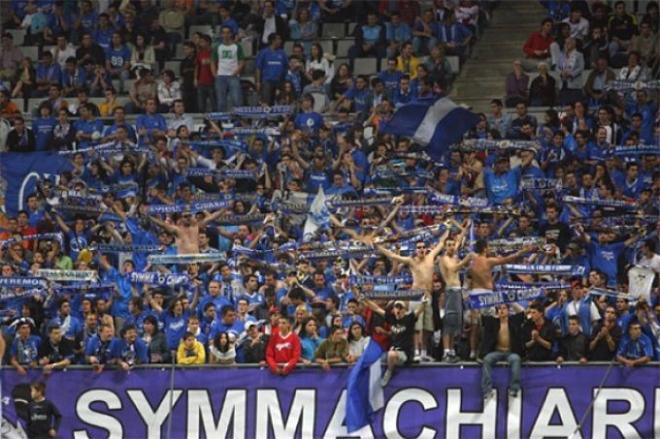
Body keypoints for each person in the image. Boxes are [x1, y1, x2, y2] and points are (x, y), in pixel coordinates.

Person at [359, 294, 429, 386]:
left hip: (405, 353)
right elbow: (376, 308)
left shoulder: (409, 319)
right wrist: (366, 300)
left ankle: (389, 372)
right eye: (396, 307)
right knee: (373, 357)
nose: (398, 310)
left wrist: (423, 303)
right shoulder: (391, 318)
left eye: (400, 308)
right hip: (392, 350)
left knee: (391, 355)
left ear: (405, 310)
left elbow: (419, 311)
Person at [438, 221, 471, 362]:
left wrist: (464, 226)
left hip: (457, 291)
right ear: (445, 247)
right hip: (451, 291)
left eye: (453, 245)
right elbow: (453, 269)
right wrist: (466, 260)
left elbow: (461, 235)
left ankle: (451, 350)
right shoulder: (444, 258)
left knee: (456, 323)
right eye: (449, 245)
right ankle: (446, 352)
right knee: (449, 322)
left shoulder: (453, 255)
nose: (452, 247)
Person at [481, 303, 525, 400]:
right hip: (497, 351)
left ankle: (514, 388)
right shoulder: (493, 322)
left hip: (510, 352)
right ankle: (487, 390)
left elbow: (522, 312)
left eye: (504, 308)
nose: (501, 310)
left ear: (508, 310)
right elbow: (483, 314)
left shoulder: (513, 321)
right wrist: (490, 301)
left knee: (516, 359)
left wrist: (511, 302)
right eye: (499, 309)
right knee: (487, 359)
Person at [212, 25, 244, 112]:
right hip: (221, 76)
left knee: (236, 100)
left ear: (231, 34)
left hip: (233, 76)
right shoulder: (217, 47)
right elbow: (213, 62)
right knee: (221, 101)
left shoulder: (237, 47)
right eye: (224, 33)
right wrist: (215, 74)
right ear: (221, 34)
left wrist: (235, 72)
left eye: (227, 33)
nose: (225, 35)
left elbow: (241, 62)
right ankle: (221, 122)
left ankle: (239, 120)